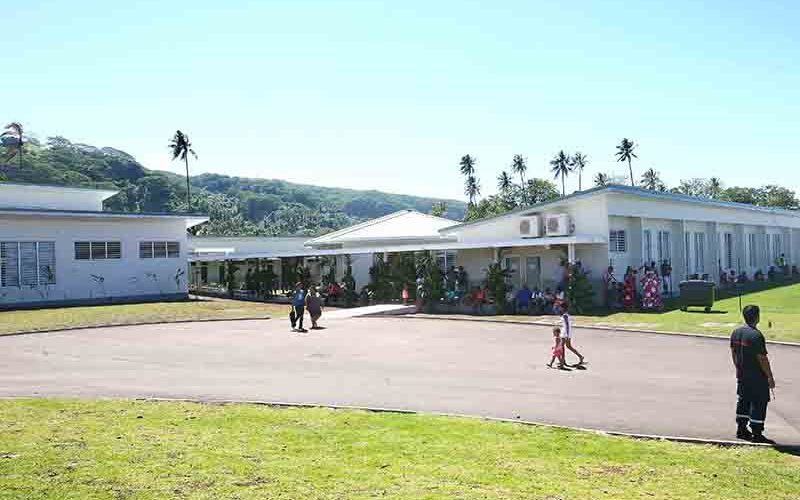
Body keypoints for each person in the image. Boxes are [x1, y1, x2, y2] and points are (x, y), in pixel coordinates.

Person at [730, 305, 776, 443]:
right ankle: (757, 433)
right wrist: (769, 377)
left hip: (742, 375)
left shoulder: (736, 332)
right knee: (759, 402)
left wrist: (738, 367)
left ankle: (741, 429)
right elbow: (762, 358)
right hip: (757, 377)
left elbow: (733, 352)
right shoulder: (756, 335)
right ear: (757, 317)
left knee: (743, 400)